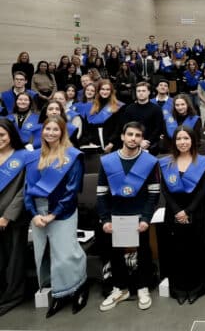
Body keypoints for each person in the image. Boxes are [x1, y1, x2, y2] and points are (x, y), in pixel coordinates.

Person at [24, 116, 88, 318]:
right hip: (38, 213)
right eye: (47, 129)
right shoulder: (34, 156)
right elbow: (27, 189)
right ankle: (60, 293)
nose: (50, 133)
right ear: (42, 131)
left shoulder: (73, 156)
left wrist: (53, 215)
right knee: (46, 253)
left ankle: (79, 288)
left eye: (55, 129)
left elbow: (72, 190)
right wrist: (34, 214)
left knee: (67, 253)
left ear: (62, 132)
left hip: (62, 211)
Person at [97, 121, 160, 311]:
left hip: (139, 215)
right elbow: (101, 192)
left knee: (143, 252)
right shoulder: (107, 161)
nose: (133, 138)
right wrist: (105, 218)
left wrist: (146, 218)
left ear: (142, 139)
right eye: (130, 134)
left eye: (138, 135)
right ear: (122, 136)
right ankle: (120, 288)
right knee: (115, 253)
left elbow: (154, 192)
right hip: (116, 215)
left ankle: (143, 287)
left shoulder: (150, 162)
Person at [158, 126, 205, 304]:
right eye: (179, 139)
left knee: (195, 249)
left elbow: (202, 191)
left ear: (193, 140)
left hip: (195, 212)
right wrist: (177, 211)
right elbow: (165, 190)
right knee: (175, 250)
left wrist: (187, 211)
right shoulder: (166, 163)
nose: (182, 142)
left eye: (186, 138)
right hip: (173, 212)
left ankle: (196, 287)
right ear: (174, 141)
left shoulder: (202, 162)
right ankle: (178, 288)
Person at [0, 119, 29, 316]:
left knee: (14, 259)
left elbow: (24, 190)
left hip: (13, 217)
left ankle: (13, 296)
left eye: (2, 135)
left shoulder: (24, 157)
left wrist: (7, 216)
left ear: (10, 134)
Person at [122, 82, 164, 155]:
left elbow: (159, 128)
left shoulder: (156, 109)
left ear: (149, 92)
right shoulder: (129, 108)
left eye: (143, 91)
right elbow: (125, 127)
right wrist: (138, 142)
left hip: (151, 146)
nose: (141, 93)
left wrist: (148, 141)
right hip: (132, 144)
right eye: (138, 91)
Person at [83, 79, 124, 152]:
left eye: (108, 89)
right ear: (98, 90)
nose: (105, 92)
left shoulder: (117, 106)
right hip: (94, 144)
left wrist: (112, 143)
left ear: (111, 91)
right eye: (102, 89)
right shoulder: (92, 106)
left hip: (111, 144)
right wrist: (90, 141)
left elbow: (119, 127)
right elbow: (87, 126)